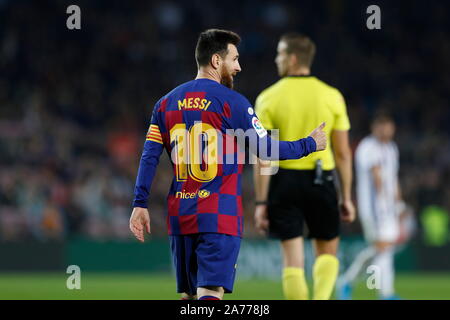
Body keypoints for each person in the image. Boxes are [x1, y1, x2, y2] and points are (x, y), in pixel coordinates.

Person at [129, 29, 327, 300]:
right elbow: (265, 149)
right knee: (210, 293)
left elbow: (149, 156)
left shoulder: (165, 104)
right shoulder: (233, 103)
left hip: (181, 214)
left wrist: (140, 203)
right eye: (234, 59)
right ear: (215, 61)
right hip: (218, 215)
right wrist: (309, 145)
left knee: (189, 297)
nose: (238, 67)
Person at [253, 33, 355, 300]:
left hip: (284, 182)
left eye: (280, 54)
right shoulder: (332, 96)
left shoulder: (268, 98)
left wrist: (261, 201)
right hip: (322, 179)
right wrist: (346, 197)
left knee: (293, 262)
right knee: (327, 253)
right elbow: (343, 153)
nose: (276, 59)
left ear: (293, 58)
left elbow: (264, 157)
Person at [337, 113, 404, 300]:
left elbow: (393, 178)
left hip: (388, 208)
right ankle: (385, 294)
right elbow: (377, 178)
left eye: (388, 126)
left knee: (384, 249)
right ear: (374, 127)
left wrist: (399, 204)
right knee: (382, 247)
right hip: (373, 208)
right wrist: (384, 205)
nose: (386, 130)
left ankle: (347, 281)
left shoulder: (391, 148)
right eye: (381, 126)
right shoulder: (368, 147)